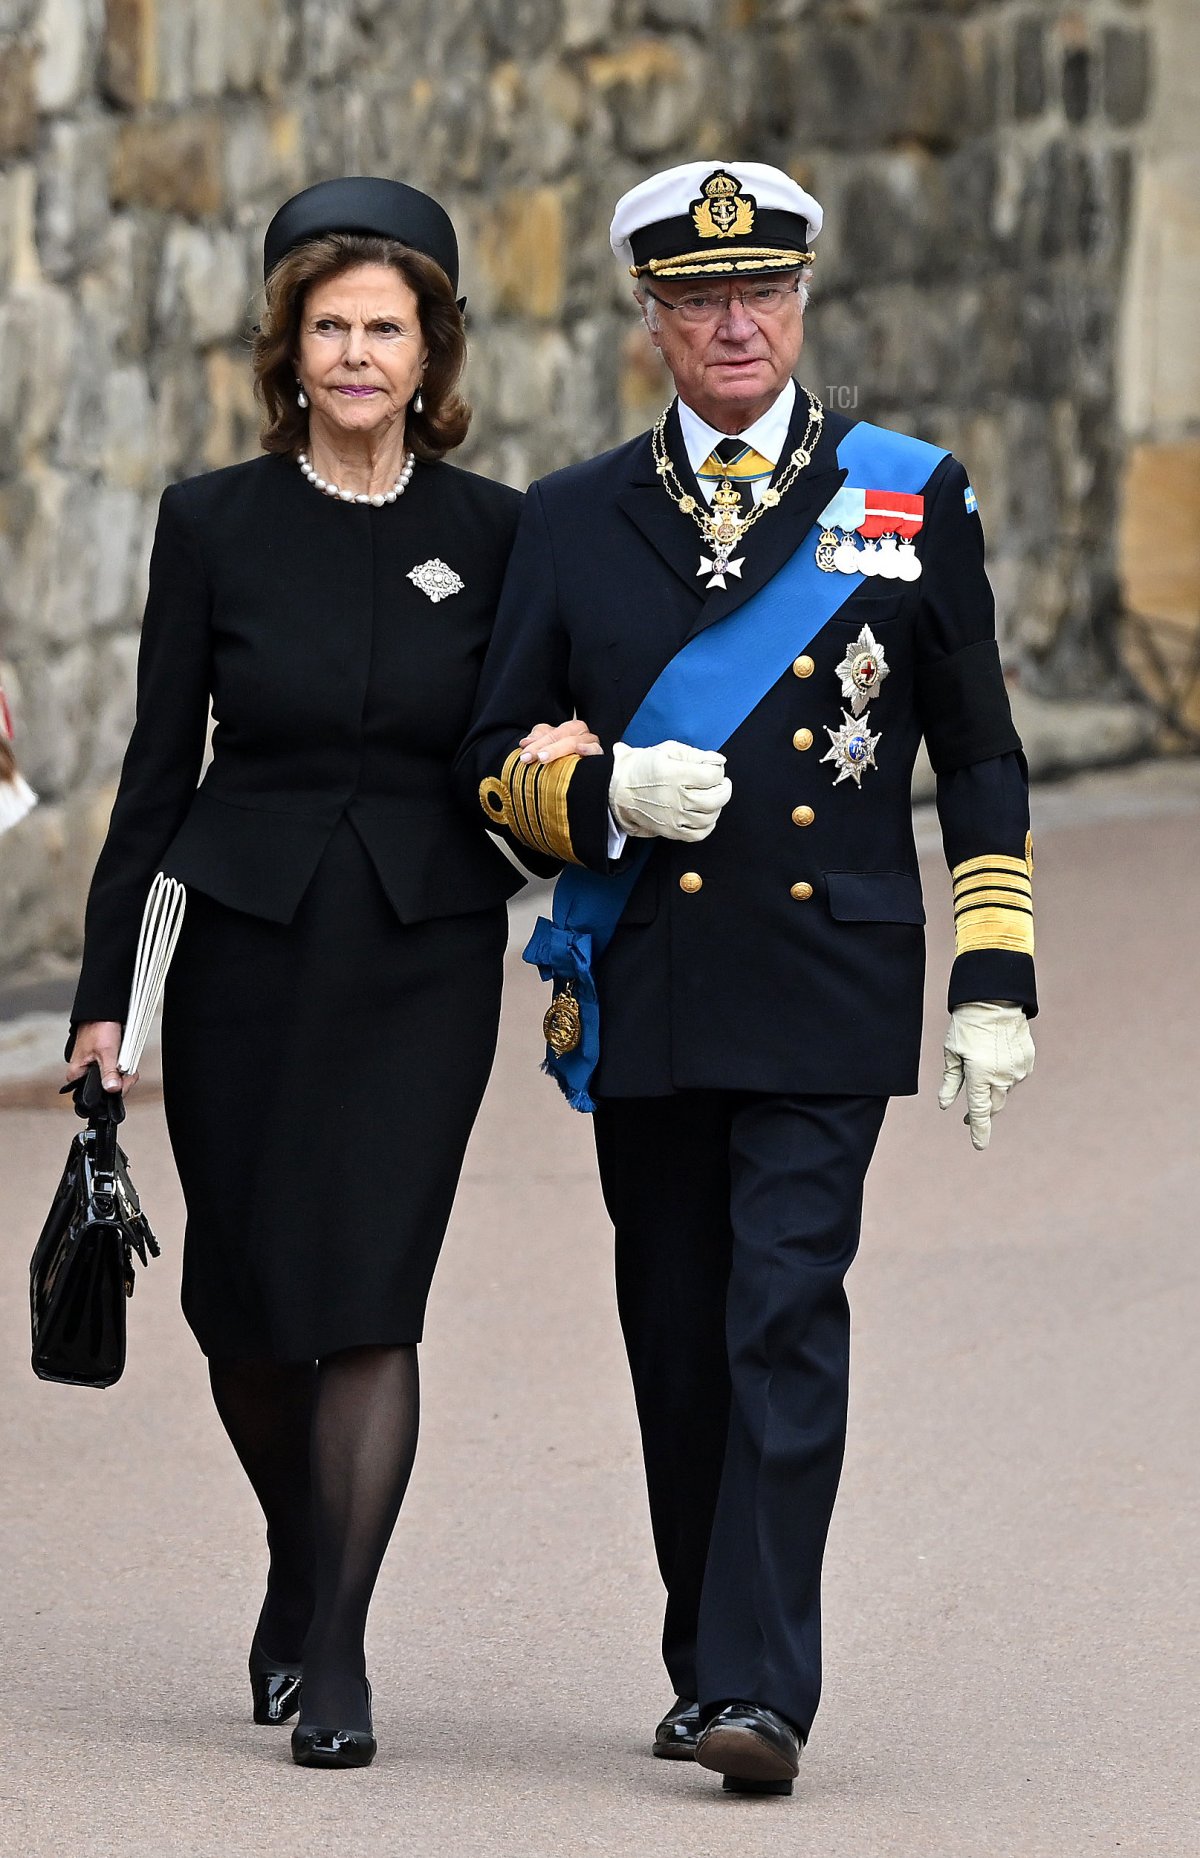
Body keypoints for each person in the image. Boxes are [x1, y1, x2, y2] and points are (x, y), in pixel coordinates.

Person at [459, 160, 1037, 1796]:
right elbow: (490, 756)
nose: (736, 322)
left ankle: (761, 1688)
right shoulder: (575, 516)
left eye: (763, 291)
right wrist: (601, 795)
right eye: (701, 297)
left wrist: (996, 975)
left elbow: (981, 754)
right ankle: (704, 1649)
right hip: (647, 979)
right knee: (676, 1331)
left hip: (822, 978)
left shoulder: (906, 495)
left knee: (782, 1307)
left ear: (803, 299)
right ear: (651, 316)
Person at [66, 177, 525, 1768]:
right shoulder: (212, 523)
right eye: (329, 327)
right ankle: (296, 1549)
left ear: (429, 350)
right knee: (248, 1303)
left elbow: (526, 743)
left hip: (425, 952)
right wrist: (105, 995)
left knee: (372, 1292)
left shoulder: (496, 532)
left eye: (384, 328)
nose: (356, 355)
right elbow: (154, 773)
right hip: (245, 950)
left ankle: (337, 1648)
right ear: (290, 348)